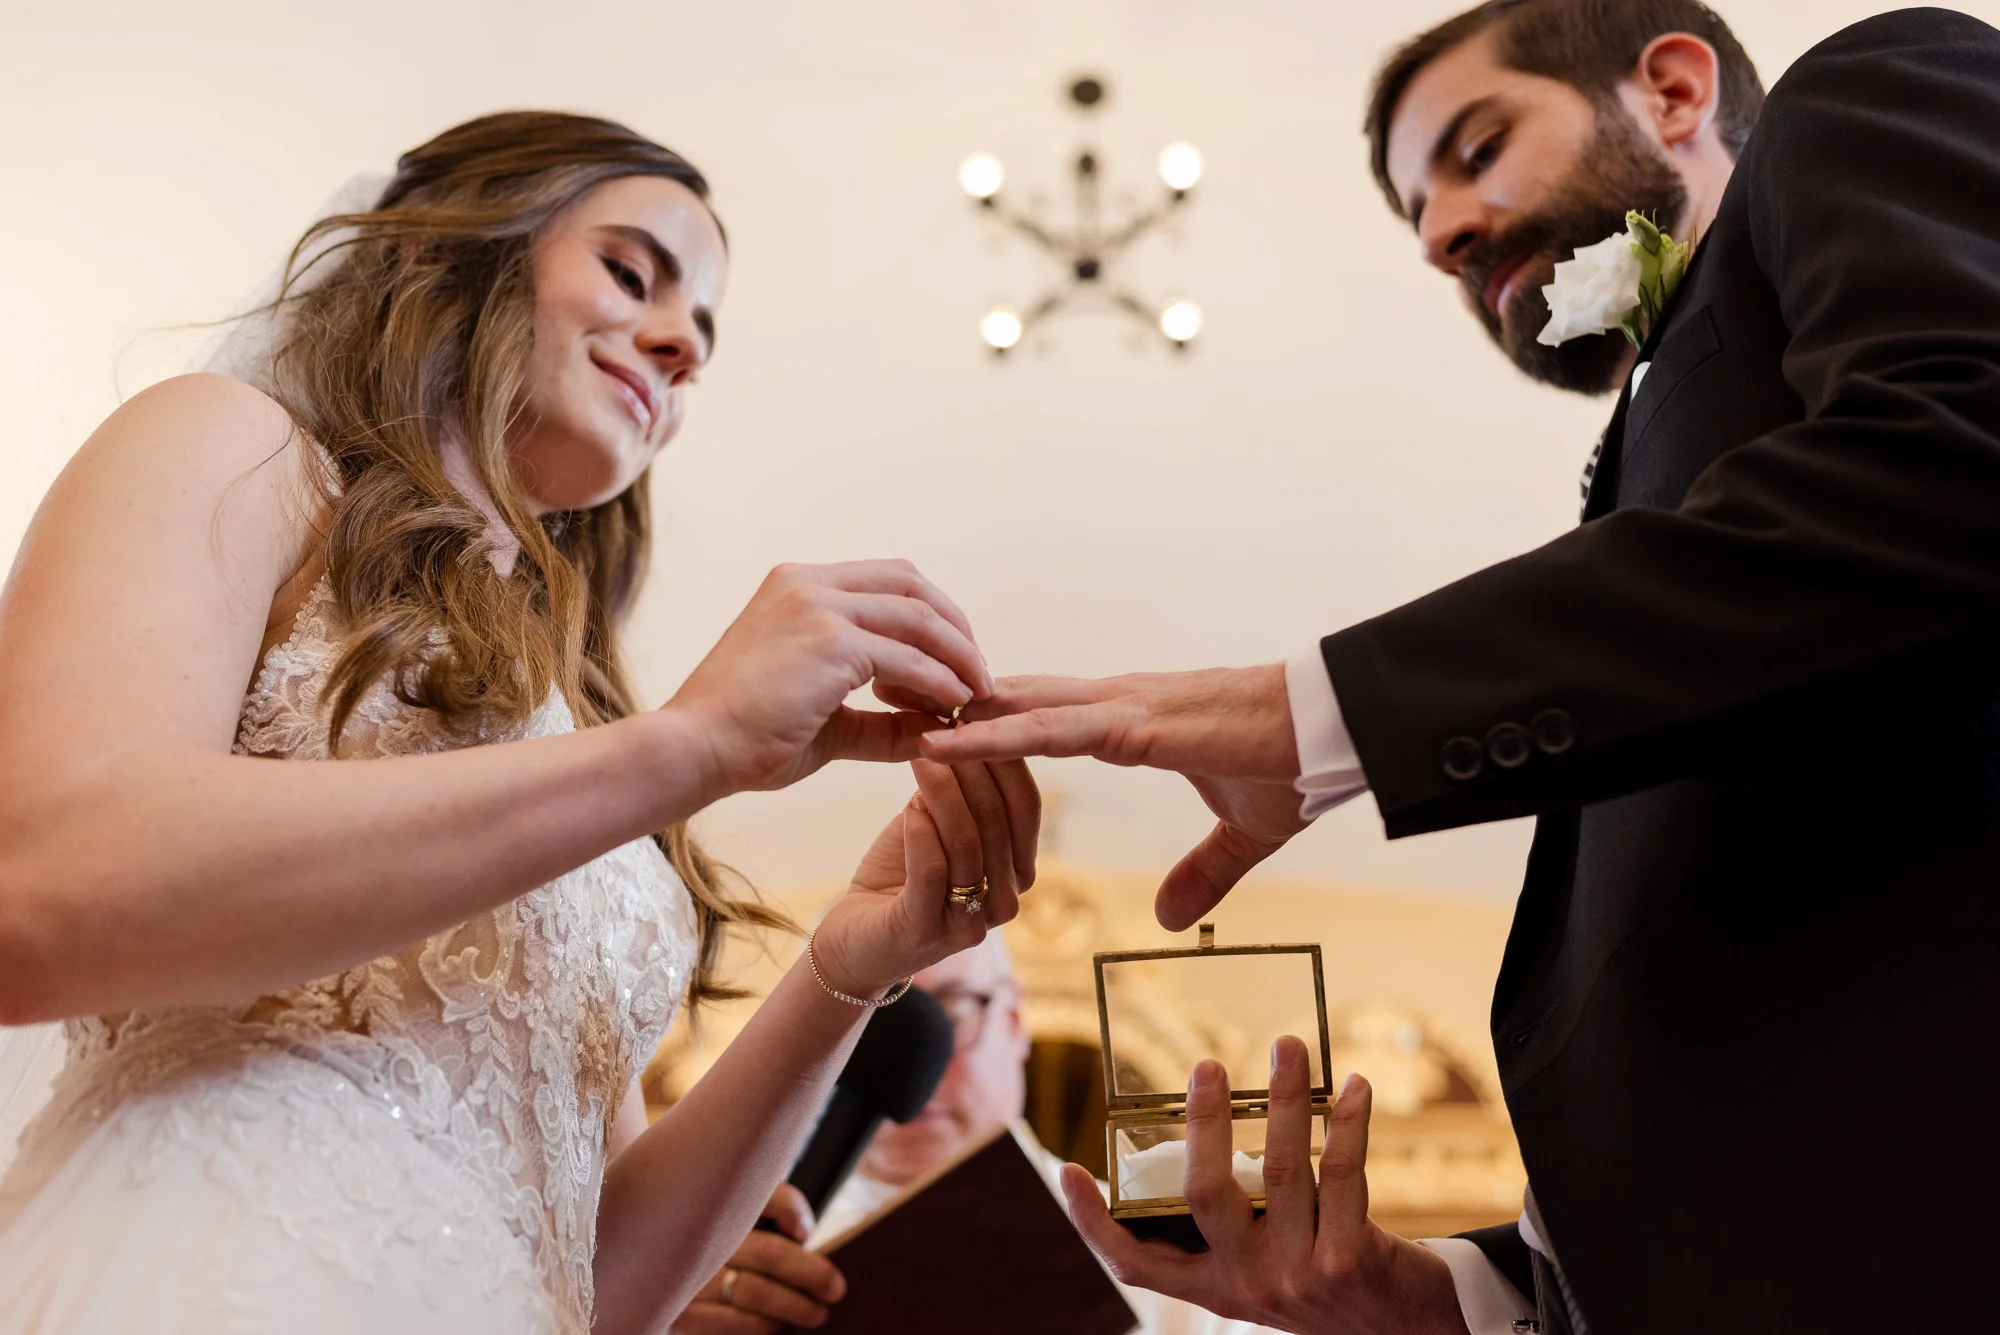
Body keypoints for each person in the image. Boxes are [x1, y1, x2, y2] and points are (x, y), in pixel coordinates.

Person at [927, 3, 2000, 1332]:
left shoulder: (1863, 91)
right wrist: (1452, 1291)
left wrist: (1312, 709)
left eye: (1476, 146)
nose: (1439, 234)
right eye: (1417, 213)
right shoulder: (1644, 473)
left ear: (1672, 90)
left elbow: (1963, 458)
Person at [0, 111, 1043, 1335]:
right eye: (630, 272)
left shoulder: (575, 727)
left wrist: (845, 972)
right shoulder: (229, 447)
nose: (677, 345)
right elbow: (42, 891)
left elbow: (590, 1280)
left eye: (699, 336)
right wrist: (690, 747)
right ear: (441, 253)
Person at [675, 931, 1279, 1335]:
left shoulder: (1172, 1259)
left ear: (1014, 1022)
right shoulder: (727, 1261)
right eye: (867, 1026)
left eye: (951, 1014)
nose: (919, 1068)